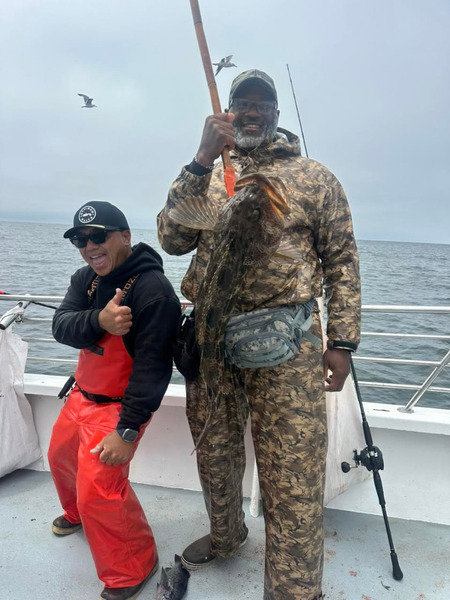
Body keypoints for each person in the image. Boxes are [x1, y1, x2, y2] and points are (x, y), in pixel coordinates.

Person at [157, 69, 361, 600]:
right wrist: (200, 159)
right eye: (241, 102)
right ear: (227, 111)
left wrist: (342, 342)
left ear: (276, 113)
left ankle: (293, 590)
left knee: (293, 470)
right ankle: (227, 537)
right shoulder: (209, 173)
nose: (252, 111)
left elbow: (342, 262)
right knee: (214, 452)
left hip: (288, 344)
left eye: (262, 104)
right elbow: (172, 239)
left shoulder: (314, 178)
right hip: (211, 339)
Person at [48, 201, 181, 600]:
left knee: (99, 489)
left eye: (98, 236)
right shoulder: (85, 279)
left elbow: (153, 370)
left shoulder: (153, 291)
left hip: (120, 407)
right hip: (81, 394)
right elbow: (61, 326)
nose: (89, 246)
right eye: (80, 239)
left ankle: (134, 566)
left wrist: (127, 430)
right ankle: (78, 515)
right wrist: (99, 321)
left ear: (125, 236)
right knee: (59, 457)